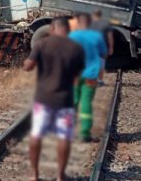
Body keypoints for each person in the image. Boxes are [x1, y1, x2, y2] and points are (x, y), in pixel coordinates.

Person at [24, 17, 85, 181]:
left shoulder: (41, 44)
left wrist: (30, 62)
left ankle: (34, 174)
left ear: (52, 28)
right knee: (64, 137)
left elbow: (28, 66)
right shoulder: (76, 48)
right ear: (68, 30)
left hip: (43, 99)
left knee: (36, 135)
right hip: (65, 100)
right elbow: (78, 77)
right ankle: (60, 176)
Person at [69, 13, 107, 142]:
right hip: (90, 75)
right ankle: (84, 134)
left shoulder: (72, 36)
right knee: (86, 102)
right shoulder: (96, 36)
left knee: (73, 101)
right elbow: (103, 54)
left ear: (78, 23)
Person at [90, 10, 114, 83]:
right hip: (102, 46)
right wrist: (111, 47)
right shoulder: (106, 23)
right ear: (101, 15)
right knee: (101, 63)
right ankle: (99, 80)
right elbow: (110, 37)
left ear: (93, 15)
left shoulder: (90, 23)